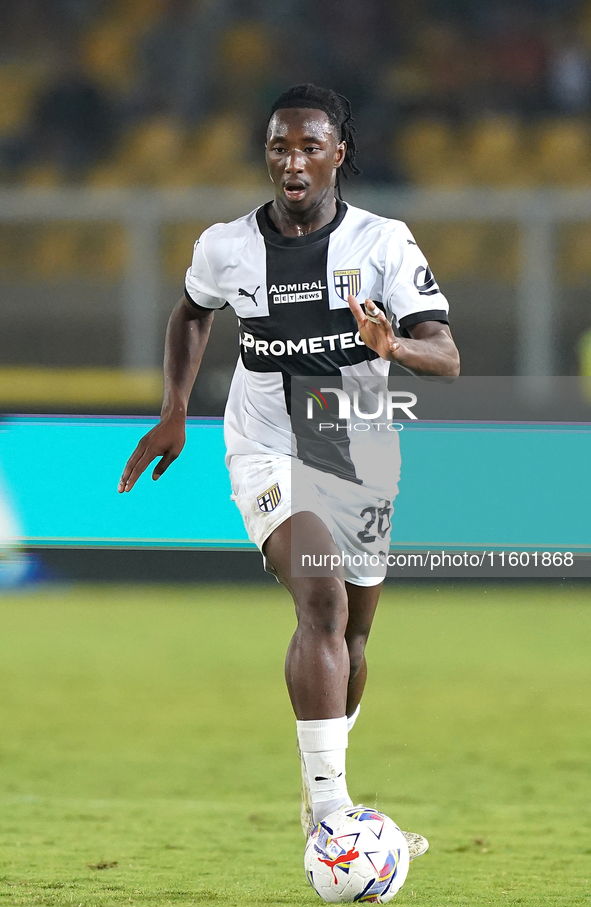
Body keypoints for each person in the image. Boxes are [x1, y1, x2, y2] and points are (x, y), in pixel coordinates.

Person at [118, 84, 459, 860]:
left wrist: (392, 347)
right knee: (321, 595)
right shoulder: (226, 246)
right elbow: (192, 311)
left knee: (357, 630)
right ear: (266, 156)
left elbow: (445, 353)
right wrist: (174, 409)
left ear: (339, 154)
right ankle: (336, 813)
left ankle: (319, 801)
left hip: (357, 446)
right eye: (279, 147)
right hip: (266, 441)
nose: (293, 161)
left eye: (309, 146)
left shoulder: (383, 243)